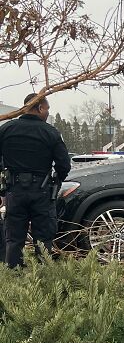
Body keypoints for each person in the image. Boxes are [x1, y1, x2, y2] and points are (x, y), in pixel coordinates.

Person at [0, 94, 71, 267]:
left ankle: (14, 279)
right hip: (42, 192)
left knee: (14, 239)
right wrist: (56, 181)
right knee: (43, 239)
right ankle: (42, 280)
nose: (47, 113)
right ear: (39, 108)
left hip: (14, 191)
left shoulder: (6, 129)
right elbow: (64, 165)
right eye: (47, 109)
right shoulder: (50, 132)